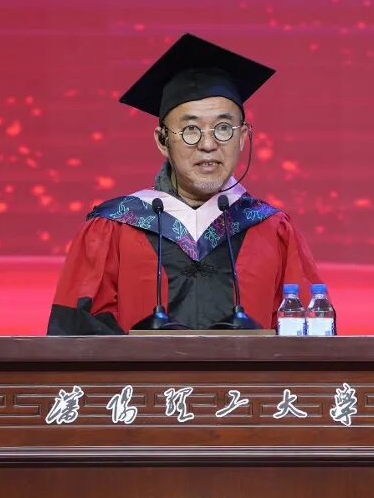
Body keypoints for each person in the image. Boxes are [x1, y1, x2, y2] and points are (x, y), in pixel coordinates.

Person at [47, 33, 324, 334]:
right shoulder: (114, 226)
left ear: (243, 137)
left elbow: (307, 338)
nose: (208, 144)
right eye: (191, 130)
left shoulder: (273, 230)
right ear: (162, 140)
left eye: (223, 128)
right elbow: (77, 339)